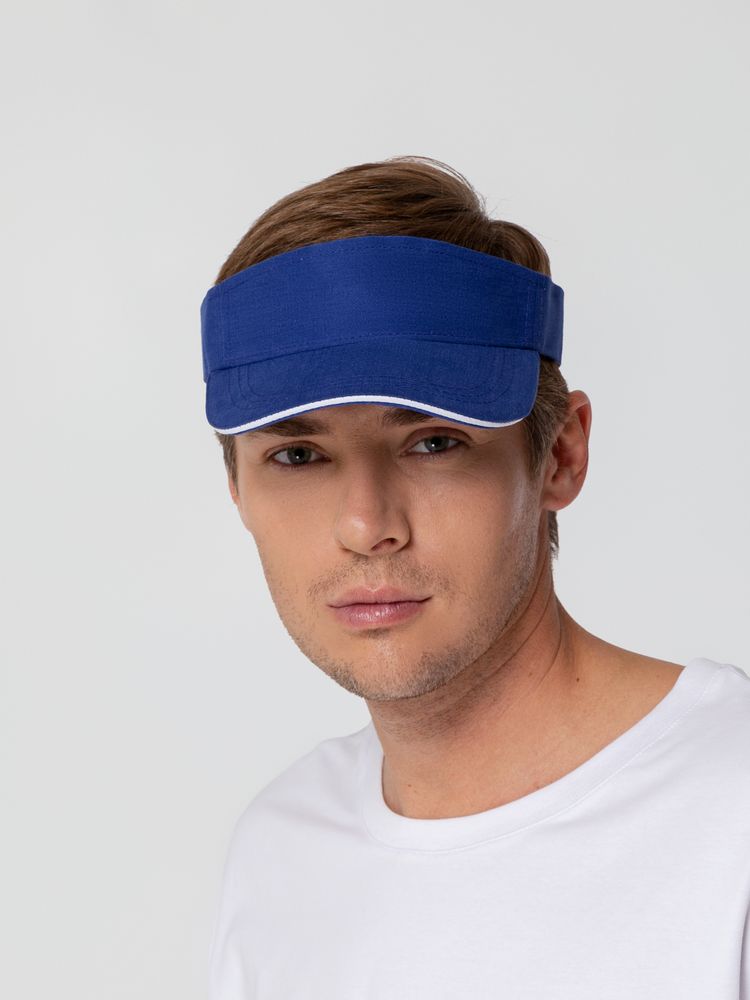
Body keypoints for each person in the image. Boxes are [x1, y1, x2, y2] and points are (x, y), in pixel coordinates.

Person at [200, 155, 750, 999]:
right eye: (299, 455)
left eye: (433, 442)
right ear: (237, 490)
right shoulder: (278, 854)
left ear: (560, 455)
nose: (366, 525)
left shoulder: (731, 810)